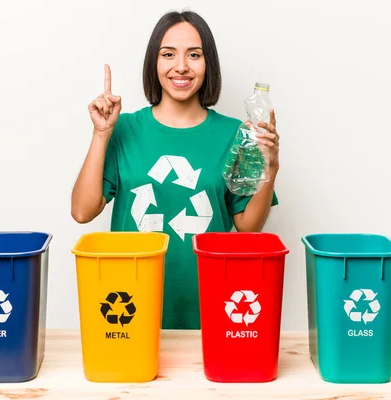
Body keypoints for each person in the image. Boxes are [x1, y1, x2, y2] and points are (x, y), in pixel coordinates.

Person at [71, 10, 280, 330]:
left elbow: (248, 228)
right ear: (153, 63)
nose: (181, 65)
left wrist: (271, 166)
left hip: (211, 306)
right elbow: (83, 212)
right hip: (128, 308)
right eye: (168, 54)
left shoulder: (238, 135)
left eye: (194, 55)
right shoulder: (123, 128)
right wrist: (102, 134)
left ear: (208, 62)